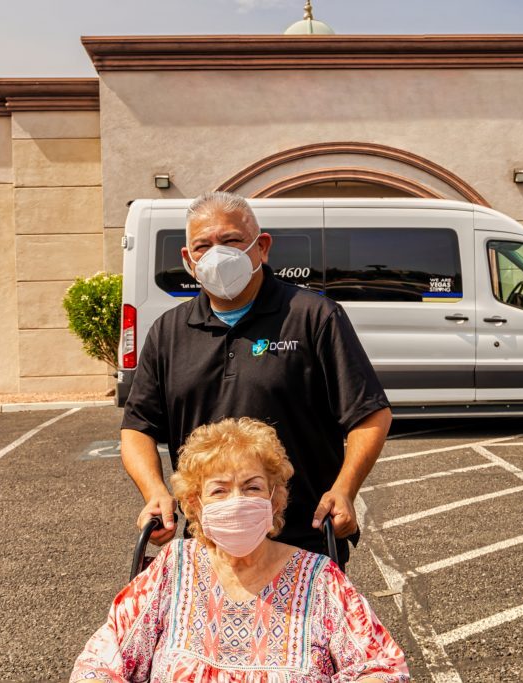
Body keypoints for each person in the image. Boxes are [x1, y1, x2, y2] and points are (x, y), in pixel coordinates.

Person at [120, 191, 392, 560]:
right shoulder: (169, 332)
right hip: (209, 544)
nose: (217, 255)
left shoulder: (314, 318)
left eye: (231, 241)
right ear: (188, 260)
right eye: (202, 246)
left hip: (304, 540)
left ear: (261, 247)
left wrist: (345, 489)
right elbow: (137, 428)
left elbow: (370, 414)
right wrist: (154, 492)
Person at [71, 418, 410, 682]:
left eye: (252, 487)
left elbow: (381, 669)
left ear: (275, 499)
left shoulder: (320, 580)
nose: (237, 502)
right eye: (219, 490)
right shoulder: (172, 569)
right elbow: (99, 664)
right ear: (195, 503)